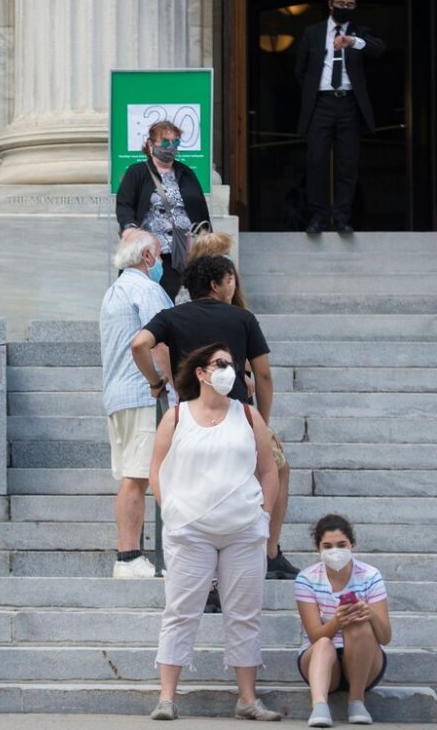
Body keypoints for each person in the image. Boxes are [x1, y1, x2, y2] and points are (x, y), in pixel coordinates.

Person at [131, 255, 298, 580]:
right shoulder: (242, 317)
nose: (233, 285)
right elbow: (262, 376)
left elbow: (139, 344)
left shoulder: (171, 316)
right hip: (237, 419)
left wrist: (155, 382)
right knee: (278, 468)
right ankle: (270, 552)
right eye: (229, 279)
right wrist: (262, 423)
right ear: (215, 284)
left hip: (190, 420)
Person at [148, 344, 280, 722]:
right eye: (220, 364)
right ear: (202, 373)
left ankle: (247, 698)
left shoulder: (249, 415)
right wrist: (171, 510)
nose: (229, 371)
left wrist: (264, 516)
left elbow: (269, 469)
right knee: (181, 611)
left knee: (244, 614)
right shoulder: (176, 416)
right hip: (190, 530)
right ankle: (167, 697)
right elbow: (156, 468)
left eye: (233, 365)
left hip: (243, 530)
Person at [99, 230, 173, 577]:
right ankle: (129, 557)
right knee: (139, 476)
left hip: (119, 394)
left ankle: (129, 556)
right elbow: (161, 343)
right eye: (159, 255)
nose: (161, 263)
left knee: (133, 475)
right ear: (146, 257)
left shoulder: (114, 291)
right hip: (144, 393)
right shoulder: (146, 289)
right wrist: (173, 385)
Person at [295, 0, 385, 235]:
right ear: (330, 3)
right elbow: (300, 71)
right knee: (316, 161)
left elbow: (378, 48)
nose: (345, 7)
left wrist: (352, 42)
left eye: (350, 4)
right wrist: (314, 92)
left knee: (347, 163)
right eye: (341, 3)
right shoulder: (312, 33)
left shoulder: (360, 32)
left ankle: (342, 217)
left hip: (348, 103)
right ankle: (318, 217)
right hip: (321, 103)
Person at [295, 514, 391, 727]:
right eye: (327, 546)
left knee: (359, 623)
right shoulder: (306, 578)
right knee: (323, 643)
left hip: (365, 662)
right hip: (320, 661)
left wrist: (369, 613)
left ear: (352, 545)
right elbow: (314, 635)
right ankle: (319, 706)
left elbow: (385, 637)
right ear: (318, 548)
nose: (335, 551)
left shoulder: (370, 575)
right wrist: (337, 621)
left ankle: (357, 701)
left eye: (341, 545)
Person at [116, 120, 212, 300]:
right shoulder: (137, 172)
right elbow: (124, 205)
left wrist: (208, 242)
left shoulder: (186, 173)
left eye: (175, 142)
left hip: (185, 252)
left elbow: (200, 210)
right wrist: (129, 228)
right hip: (154, 254)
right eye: (165, 142)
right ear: (151, 144)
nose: (171, 147)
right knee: (156, 302)